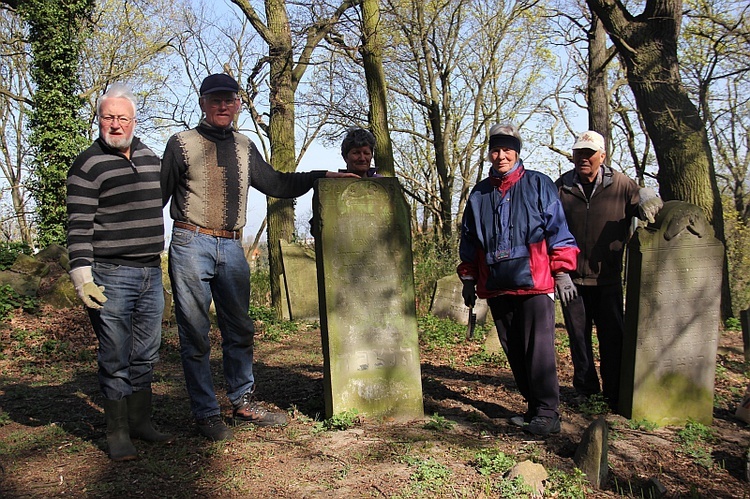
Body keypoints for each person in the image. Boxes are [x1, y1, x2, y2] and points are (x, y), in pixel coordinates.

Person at [161, 73, 358, 442]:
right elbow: (157, 195)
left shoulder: (243, 146)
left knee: (240, 329)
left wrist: (321, 176)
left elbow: (277, 184)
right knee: (195, 333)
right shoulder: (181, 144)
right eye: (215, 99)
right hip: (191, 242)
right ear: (203, 103)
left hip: (233, 247)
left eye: (229, 100)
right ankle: (205, 413)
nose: (223, 106)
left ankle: (242, 400)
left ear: (238, 104)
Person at [67, 83, 171, 461]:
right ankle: (118, 432)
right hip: (110, 274)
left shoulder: (149, 156)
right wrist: (83, 277)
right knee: (115, 354)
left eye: (121, 118)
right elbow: (78, 226)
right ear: (99, 120)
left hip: (149, 272)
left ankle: (141, 421)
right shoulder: (87, 165)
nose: (115, 124)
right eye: (108, 117)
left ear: (133, 121)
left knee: (146, 352)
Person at [458, 123, 579, 436]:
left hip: (535, 283)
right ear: (489, 153)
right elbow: (470, 239)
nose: (501, 155)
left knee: (538, 351)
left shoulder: (538, 184)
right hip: (497, 284)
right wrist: (469, 278)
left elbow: (557, 228)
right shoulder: (480, 193)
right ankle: (533, 408)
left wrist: (563, 271)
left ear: (517, 151)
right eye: (495, 149)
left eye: (507, 149)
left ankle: (548, 412)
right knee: (514, 350)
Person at [555, 130, 662, 411]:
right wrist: (559, 272)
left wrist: (649, 197)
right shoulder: (562, 187)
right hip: (573, 280)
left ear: (602, 156)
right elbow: (548, 228)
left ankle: (614, 393)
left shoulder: (622, 185)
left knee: (613, 338)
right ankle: (586, 391)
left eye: (590, 154)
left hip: (608, 278)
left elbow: (646, 208)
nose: (584, 159)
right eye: (579, 153)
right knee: (579, 339)